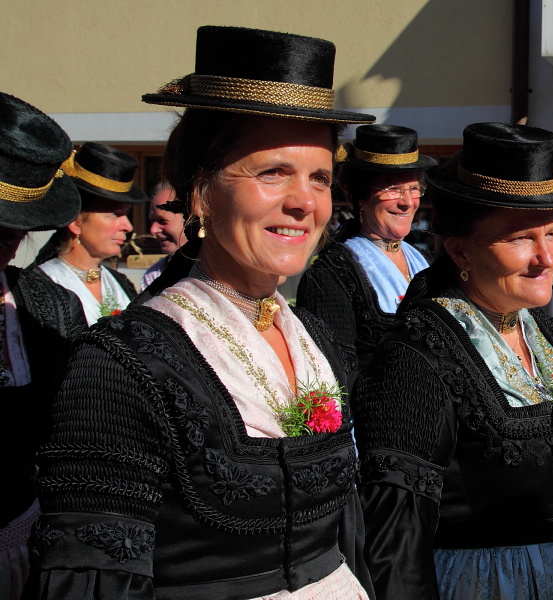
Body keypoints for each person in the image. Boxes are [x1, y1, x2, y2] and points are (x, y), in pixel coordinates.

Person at [24, 25, 376, 600]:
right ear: (199, 193)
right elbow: (94, 575)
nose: (304, 202)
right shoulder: (121, 364)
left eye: (320, 179)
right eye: (272, 172)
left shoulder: (315, 338)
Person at [353, 122, 553, 599]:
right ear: (461, 250)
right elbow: (395, 536)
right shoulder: (416, 357)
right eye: (521, 238)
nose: (547, 257)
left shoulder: (543, 333)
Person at [0, 92, 86, 600]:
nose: (7, 241)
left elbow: (69, 436)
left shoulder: (50, 307)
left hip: (26, 545)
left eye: (12, 230)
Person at [296, 124, 435, 371]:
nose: (407, 202)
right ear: (361, 196)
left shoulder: (424, 260)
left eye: (414, 188)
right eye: (393, 189)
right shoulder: (332, 275)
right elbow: (335, 373)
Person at [35, 141, 146, 324]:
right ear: (76, 222)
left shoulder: (120, 282)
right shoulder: (42, 286)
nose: (128, 226)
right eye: (115, 214)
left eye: (125, 214)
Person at [140, 184, 185, 290]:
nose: (153, 230)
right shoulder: (153, 276)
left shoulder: (221, 270)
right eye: (152, 221)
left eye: (162, 221)